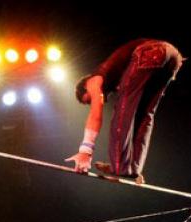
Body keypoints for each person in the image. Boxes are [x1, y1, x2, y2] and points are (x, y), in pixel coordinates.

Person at [65, 38, 184, 183]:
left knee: (122, 111)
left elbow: (96, 115)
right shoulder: (116, 79)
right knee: (144, 114)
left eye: (88, 99)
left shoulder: (93, 80)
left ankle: (120, 167)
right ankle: (133, 169)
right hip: (173, 58)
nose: (92, 102)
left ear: (85, 86)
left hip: (151, 52)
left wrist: (85, 151)